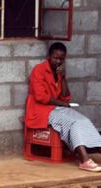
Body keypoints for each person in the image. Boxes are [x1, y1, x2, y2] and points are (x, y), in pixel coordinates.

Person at [25, 42, 101, 172]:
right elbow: (41, 97)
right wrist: (62, 104)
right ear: (49, 56)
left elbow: (65, 97)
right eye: (55, 58)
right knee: (73, 123)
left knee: (83, 120)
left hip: (57, 108)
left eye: (61, 59)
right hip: (41, 110)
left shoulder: (59, 73)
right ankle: (84, 160)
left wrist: (63, 78)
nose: (58, 61)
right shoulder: (39, 70)